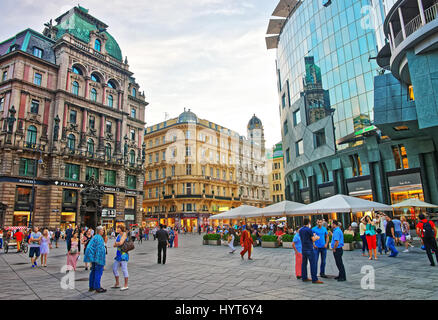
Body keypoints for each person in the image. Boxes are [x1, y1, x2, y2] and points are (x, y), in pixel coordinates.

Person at [299, 219, 323, 284]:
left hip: (303, 249)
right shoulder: (309, 229)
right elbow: (313, 239)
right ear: (309, 223)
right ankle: (314, 279)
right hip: (309, 248)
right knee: (313, 264)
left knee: (304, 264)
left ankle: (304, 277)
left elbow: (305, 237)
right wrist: (317, 237)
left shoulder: (300, 230)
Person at [84, 226, 107, 293]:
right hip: (98, 258)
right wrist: (100, 259)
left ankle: (91, 286)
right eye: (102, 230)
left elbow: (89, 247)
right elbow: (100, 250)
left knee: (93, 271)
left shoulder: (94, 237)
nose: (103, 231)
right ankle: (97, 287)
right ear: (99, 231)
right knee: (98, 272)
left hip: (93, 257)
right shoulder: (100, 238)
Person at [112, 224, 129, 291]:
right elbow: (114, 245)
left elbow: (121, 243)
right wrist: (117, 243)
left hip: (123, 254)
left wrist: (117, 243)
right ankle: (117, 283)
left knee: (124, 269)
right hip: (118, 254)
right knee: (114, 269)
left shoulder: (124, 234)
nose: (117, 229)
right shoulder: (118, 235)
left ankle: (126, 285)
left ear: (121, 229)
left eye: (118, 228)